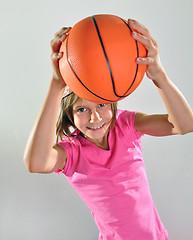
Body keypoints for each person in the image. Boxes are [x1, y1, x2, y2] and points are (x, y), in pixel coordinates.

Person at [23, 19, 193, 240]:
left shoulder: (127, 125)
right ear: (69, 116)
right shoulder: (72, 153)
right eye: (82, 109)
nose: (95, 117)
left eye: (101, 105)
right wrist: (56, 86)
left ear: (113, 103)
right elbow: (36, 163)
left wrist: (159, 75)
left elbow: (184, 124)